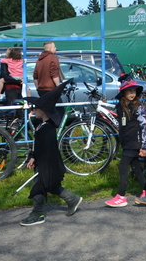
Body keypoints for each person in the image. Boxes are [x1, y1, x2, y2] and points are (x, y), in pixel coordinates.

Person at [20, 81, 83, 226]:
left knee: (39, 187)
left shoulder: (47, 129)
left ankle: (37, 214)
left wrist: (40, 164)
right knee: (51, 185)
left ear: (44, 111)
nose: (34, 110)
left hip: (47, 164)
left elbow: (47, 151)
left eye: (36, 108)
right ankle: (72, 199)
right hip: (42, 163)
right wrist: (33, 157)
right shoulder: (41, 126)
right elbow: (38, 147)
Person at [105, 81, 146, 207]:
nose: (132, 94)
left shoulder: (137, 107)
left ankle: (121, 196)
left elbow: (143, 126)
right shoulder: (120, 106)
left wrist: (144, 146)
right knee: (136, 167)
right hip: (126, 141)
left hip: (134, 142)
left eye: (134, 91)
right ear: (123, 93)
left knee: (123, 167)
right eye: (129, 91)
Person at [33, 42, 62, 119]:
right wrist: (59, 87)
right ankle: (58, 126)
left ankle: (46, 124)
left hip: (41, 90)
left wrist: (38, 88)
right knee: (60, 111)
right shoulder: (53, 58)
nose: (55, 48)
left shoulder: (39, 59)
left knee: (47, 112)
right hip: (51, 89)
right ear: (50, 48)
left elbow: (35, 76)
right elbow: (54, 74)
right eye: (54, 47)